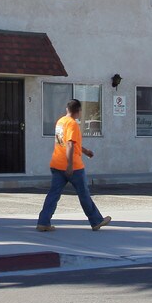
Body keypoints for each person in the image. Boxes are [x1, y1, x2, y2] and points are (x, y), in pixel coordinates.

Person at [37, 99, 111, 232]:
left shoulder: (61, 122)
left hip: (56, 163)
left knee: (53, 194)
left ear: (67, 109)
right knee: (84, 194)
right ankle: (96, 221)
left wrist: (85, 151)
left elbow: (69, 143)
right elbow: (70, 144)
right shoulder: (72, 124)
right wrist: (70, 165)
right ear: (78, 111)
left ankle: (43, 222)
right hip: (73, 167)